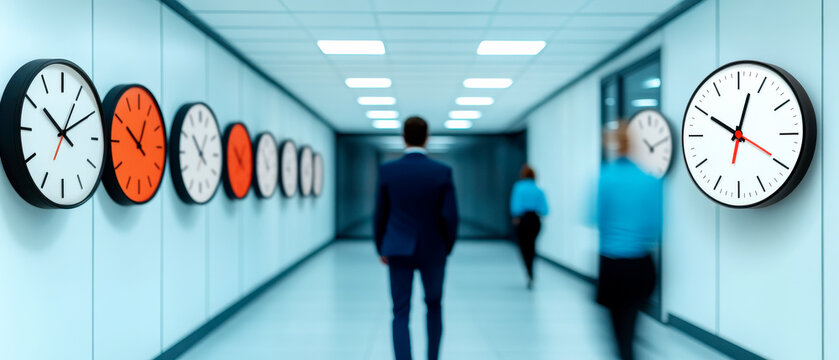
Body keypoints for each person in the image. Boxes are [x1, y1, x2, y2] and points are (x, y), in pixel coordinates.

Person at [374, 116, 459, 360]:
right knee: (434, 305)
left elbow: (380, 213)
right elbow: (451, 216)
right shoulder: (442, 172)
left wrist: (381, 246)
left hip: (398, 248)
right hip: (434, 250)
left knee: (400, 311)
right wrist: (447, 246)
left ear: (404, 137)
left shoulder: (388, 171)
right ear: (427, 137)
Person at [596, 120, 662, 360]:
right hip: (641, 264)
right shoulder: (649, 179)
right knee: (631, 322)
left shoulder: (606, 178)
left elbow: (596, 218)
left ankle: (626, 352)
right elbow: (655, 225)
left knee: (618, 332)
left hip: (612, 264)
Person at [509, 164, 548, 289]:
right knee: (531, 246)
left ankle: (529, 271)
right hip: (535, 220)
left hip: (523, 220)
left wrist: (516, 217)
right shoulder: (538, 190)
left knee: (524, 247)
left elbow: (515, 206)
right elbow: (545, 209)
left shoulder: (519, 187)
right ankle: (531, 271)